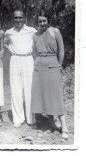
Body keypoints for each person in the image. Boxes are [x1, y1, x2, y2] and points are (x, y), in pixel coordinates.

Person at [31, 10, 68, 140]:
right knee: (43, 95)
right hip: (39, 66)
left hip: (53, 64)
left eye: (44, 21)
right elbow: (34, 52)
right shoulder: (35, 35)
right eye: (40, 21)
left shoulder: (55, 32)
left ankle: (64, 127)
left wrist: (59, 64)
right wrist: (38, 62)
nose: (42, 23)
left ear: (48, 20)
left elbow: (61, 50)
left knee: (55, 95)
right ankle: (51, 123)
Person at [4, 9, 36, 128]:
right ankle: (18, 118)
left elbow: (40, 39)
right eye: (16, 18)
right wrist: (9, 48)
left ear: (24, 18)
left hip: (28, 59)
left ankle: (31, 119)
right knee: (16, 89)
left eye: (20, 17)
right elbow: (3, 41)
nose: (18, 20)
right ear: (13, 19)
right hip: (15, 59)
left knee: (29, 89)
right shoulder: (9, 32)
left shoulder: (31, 31)